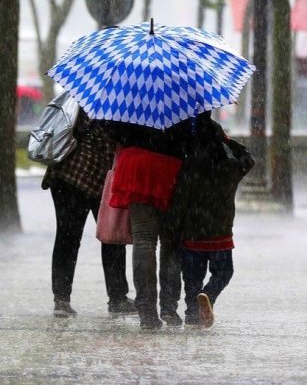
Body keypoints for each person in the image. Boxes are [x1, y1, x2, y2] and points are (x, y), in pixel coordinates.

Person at [103, 118, 195, 329]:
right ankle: (169, 307)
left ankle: (147, 312)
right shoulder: (185, 92)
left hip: (136, 163)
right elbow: (193, 135)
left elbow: (114, 130)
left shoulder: (128, 90)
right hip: (171, 166)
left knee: (143, 240)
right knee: (171, 243)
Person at [42, 112, 136, 318]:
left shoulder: (84, 96)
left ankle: (62, 299)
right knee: (111, 237)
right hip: (88, 176)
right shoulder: (117, 109)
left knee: (68, 238)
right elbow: (120, 142)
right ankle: (117, 298)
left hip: (65, 173)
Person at [167, 113, 254, 328]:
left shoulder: (188, 168)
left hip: (192, 231)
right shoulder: (231, 169)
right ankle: (209, 295)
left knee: (192, 278)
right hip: (220, 232)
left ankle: (192, 314)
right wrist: (227, 140)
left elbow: (179, 200)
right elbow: (248, 159)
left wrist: (174, 226)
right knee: (224, 272)